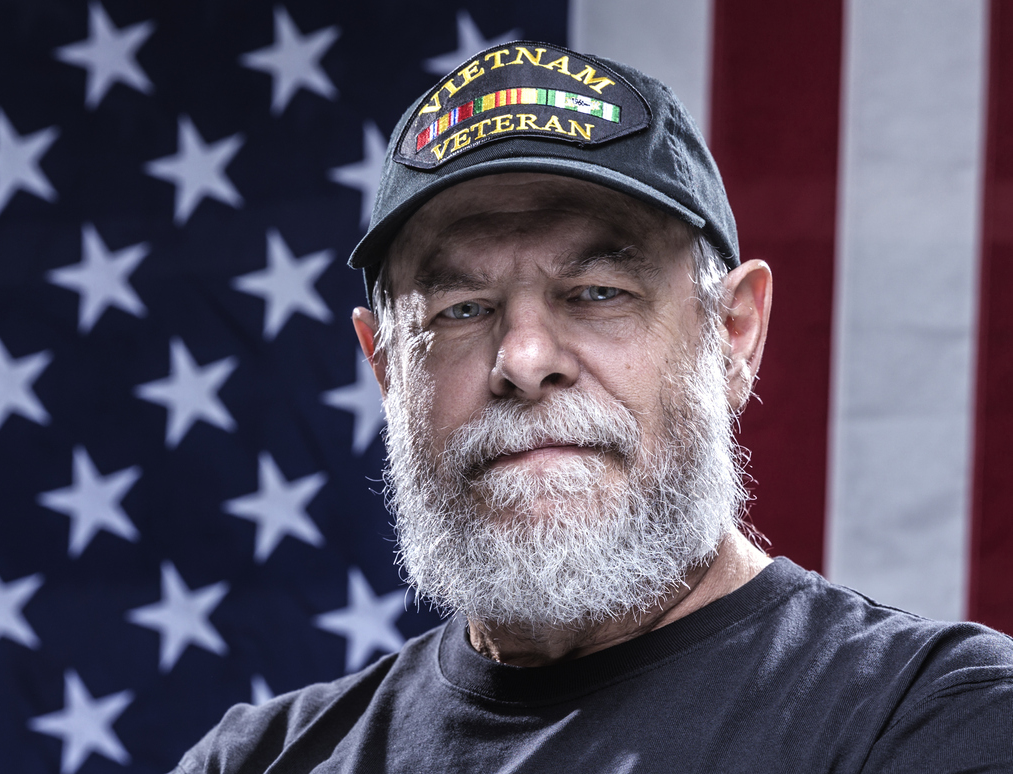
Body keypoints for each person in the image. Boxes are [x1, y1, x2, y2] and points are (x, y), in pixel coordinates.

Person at [174, 41, 1013, 772]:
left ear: (733, 335)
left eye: (598, 292)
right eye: (459, 309)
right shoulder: (256, 759)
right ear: (387, 367)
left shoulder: (936, 719)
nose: (524, 360)